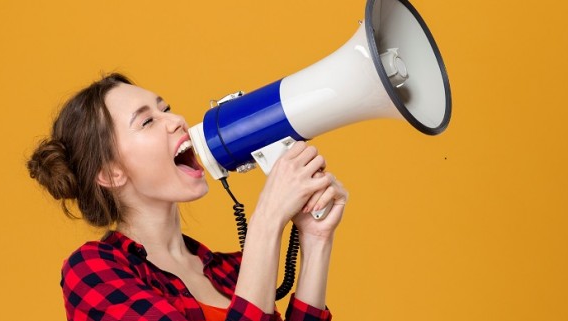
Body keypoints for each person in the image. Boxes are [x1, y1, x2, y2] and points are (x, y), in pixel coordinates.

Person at [27, 73, 347, 321]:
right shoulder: (92, 271)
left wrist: (316, 241)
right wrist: (267, 219)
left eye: (165, 108)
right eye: (148, 121)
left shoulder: (231, 271)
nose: (177, 120)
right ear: (110, 173)